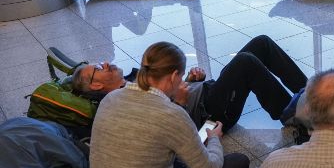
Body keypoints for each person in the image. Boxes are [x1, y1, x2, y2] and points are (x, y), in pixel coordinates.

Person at [88, 42, 249, 168]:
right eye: (181, 77)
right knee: (237, 161)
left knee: (171, 163)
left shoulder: (110, 99)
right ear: (173, 76)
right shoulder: (171, 115)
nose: (182, 82)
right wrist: (215, 138)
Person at [71, 35, 307, 131]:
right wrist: (182, 99)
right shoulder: (123, 102)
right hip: (211, 115)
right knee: (246, 62)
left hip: (206, 91)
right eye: (98, 69)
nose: (105, 63)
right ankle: (293, 113)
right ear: (96, 86)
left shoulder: (131, 83)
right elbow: (168, 121)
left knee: (261, 43)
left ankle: (311, 93)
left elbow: (164, 94)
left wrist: (188, 81)